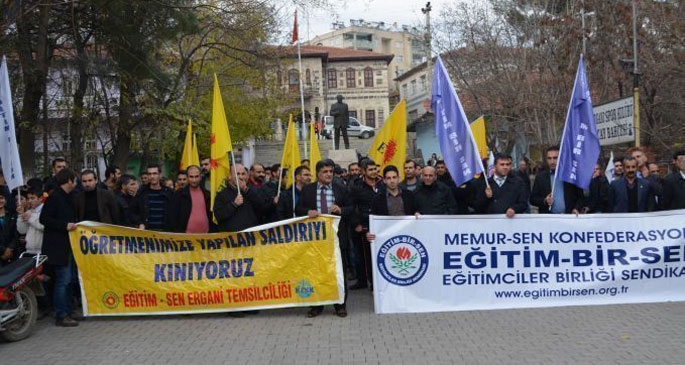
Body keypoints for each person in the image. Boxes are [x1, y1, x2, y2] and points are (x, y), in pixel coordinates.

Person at [296, 159, 353, 318]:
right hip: (315, 239)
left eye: (331, 172)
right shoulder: (308, 190)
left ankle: (340, 305)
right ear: (318, 174)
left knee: (338, 272)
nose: (329, 174)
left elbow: (351, 208)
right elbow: (297, 209)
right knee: (316, 272)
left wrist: (340, 209)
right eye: (325, 172)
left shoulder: (341, 189)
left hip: (336, 238)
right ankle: (316, 305)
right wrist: (307, 212)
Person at [39, 168, 80, 327]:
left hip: (67, 246)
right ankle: (61, 314)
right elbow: (44, 219)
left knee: (69, 280)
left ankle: (68, 311)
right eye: (74, 180)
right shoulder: (54, 197)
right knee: (63, 281)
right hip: (57, 247)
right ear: (69, 180)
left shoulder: (69, 197)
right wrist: (64, 226)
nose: (75, 183)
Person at [348, 158, 383, 290]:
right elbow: (351, 206)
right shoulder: (356, 187)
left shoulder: (382, 184)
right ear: (363, 171)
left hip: (380, 225)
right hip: (362, 225)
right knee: (362, 255)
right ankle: (363, 280)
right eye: (370, 170)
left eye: (375, 169)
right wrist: (356, 224)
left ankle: (376, 281)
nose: (374, 172)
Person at [213, 163, 272, 232]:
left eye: (243, 174)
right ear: (229, 176)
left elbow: (262, 205)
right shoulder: (222, 194)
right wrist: (234, 204)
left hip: (251, 234)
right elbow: (219, 216)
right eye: (237, 174)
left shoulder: (252, 189)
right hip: (232, 236)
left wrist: (246, 190)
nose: (241, 177)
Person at [365, 165, 417, 242]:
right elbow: (373, 219)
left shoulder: (409, 195)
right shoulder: (377, 199)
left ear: (398, 178)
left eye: (394, 177)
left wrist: (417, 214)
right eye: (388, 178)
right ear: (384, 180)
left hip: (409, 235)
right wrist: (369, 233)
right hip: (388, 238)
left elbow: (416, 210)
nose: (392, 181)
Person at [530, 146, 584, 214]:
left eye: (555, 158)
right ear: (546, 160)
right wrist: (544, 200)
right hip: (548, 219)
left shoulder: (571, 175)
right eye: (549, 158)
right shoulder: (541, 177)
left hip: (569, 218)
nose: (552, 162)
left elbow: (581, 197)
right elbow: (533, 199)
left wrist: (576, 208)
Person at [131, 164, 174, 231]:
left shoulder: (169, 192)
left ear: (160, 175)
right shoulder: (141, 192)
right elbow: (133, 212)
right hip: (147, 233)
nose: (152, 176)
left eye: (155, 173)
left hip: (165, 233)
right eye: (149, 174)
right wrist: (140, 223)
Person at [170, 165, 212, 233]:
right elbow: (173, 217)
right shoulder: (179, 194)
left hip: (205, 237)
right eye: (191, 177)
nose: (194, 180)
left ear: (200, 177)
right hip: (185, 238)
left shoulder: (207, 194)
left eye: (196, 176)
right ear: (187, 177)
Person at [16, 188, 44, 255]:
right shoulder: (28, 212)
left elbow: (43, 226)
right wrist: (20, 215)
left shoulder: (46, 210)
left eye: (32, 198)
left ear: (40, 198)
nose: (30, 201)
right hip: (29, 250)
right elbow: (22, 231)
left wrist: (30, 218)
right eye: (28, 199)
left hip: (43, 250)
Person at [0, 193, 18, 264]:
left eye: (1, 198)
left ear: (5, 200)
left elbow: (16, 234)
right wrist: (3, 251)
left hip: (13, 254)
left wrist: (10, 248)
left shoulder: (13, 215)